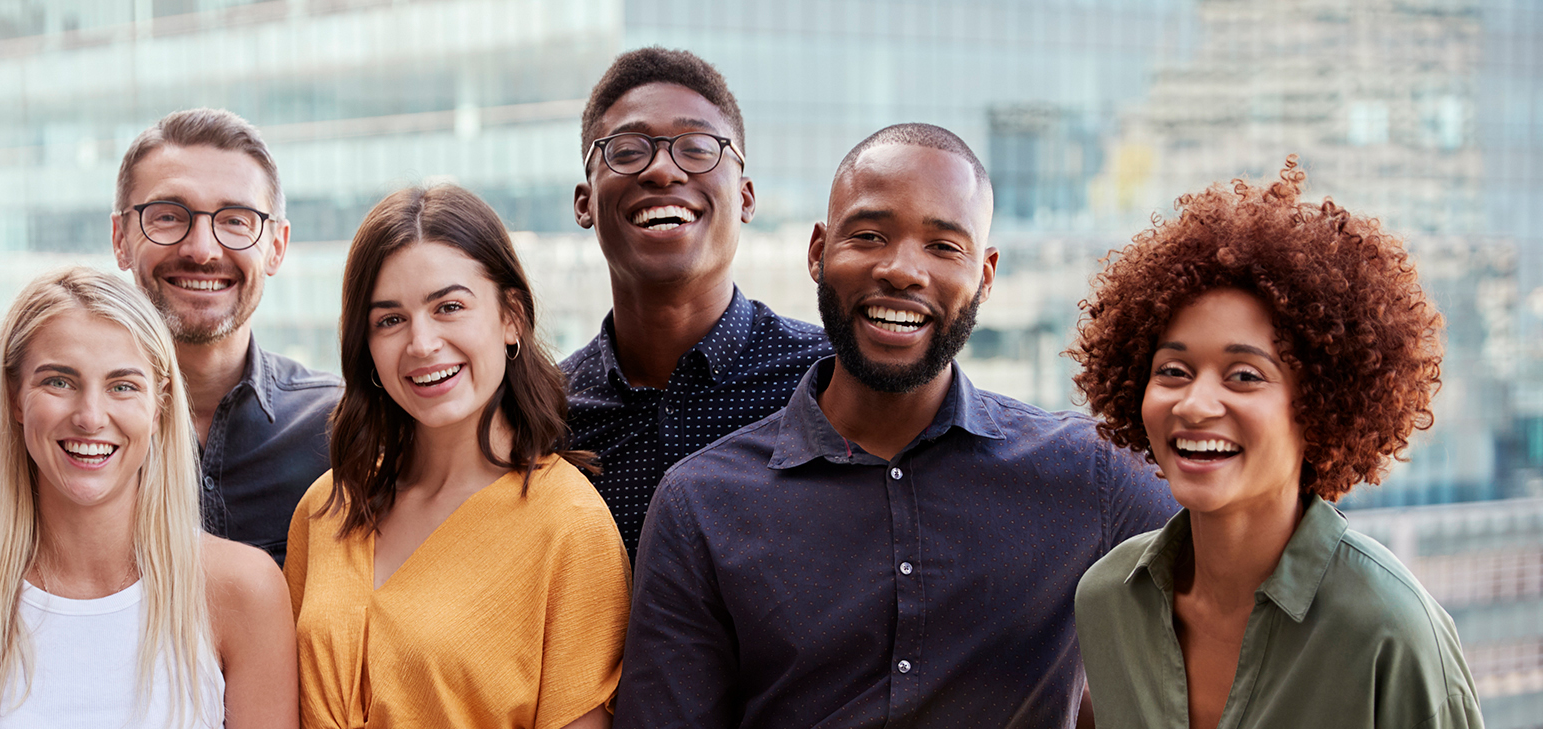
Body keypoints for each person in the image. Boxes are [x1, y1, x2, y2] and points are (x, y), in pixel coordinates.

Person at [615, 124, 1179, 729]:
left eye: (944, 246)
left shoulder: (1088, 474)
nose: (903, 270)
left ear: (985, 277)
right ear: (817, 252)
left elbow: (1255, 575)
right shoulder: (701, 503)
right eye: (868, 235)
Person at [1069, 159, 1481, 728]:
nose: (1194, 404)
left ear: (1320, 406)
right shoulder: (1107, 601)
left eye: (1244, 375)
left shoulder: (1391, 630)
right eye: (1172, 370)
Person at [286, 186, 630, 728]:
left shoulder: (570, 527)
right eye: (390, 320)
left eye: (448, 307)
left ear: (510, 315)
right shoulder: (326, 505)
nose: (422, 343)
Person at [0, 268, 296, 728]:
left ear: (160, 407)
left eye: (123, 386)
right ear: (15, 398)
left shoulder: (243, 590)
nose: (90, 417)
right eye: (59, 382)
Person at [0, 109, 341, 565]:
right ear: (120, 237)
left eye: (236, 220)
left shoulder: (340, 428)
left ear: (276, 246)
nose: (202, 250)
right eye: (168, 216)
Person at [563, 48, 832, 561]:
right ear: (585, 202)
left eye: (697, 147)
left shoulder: (828, 379)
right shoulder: (540, 415)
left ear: (747, 197)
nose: (663, 170)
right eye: (626, 150)